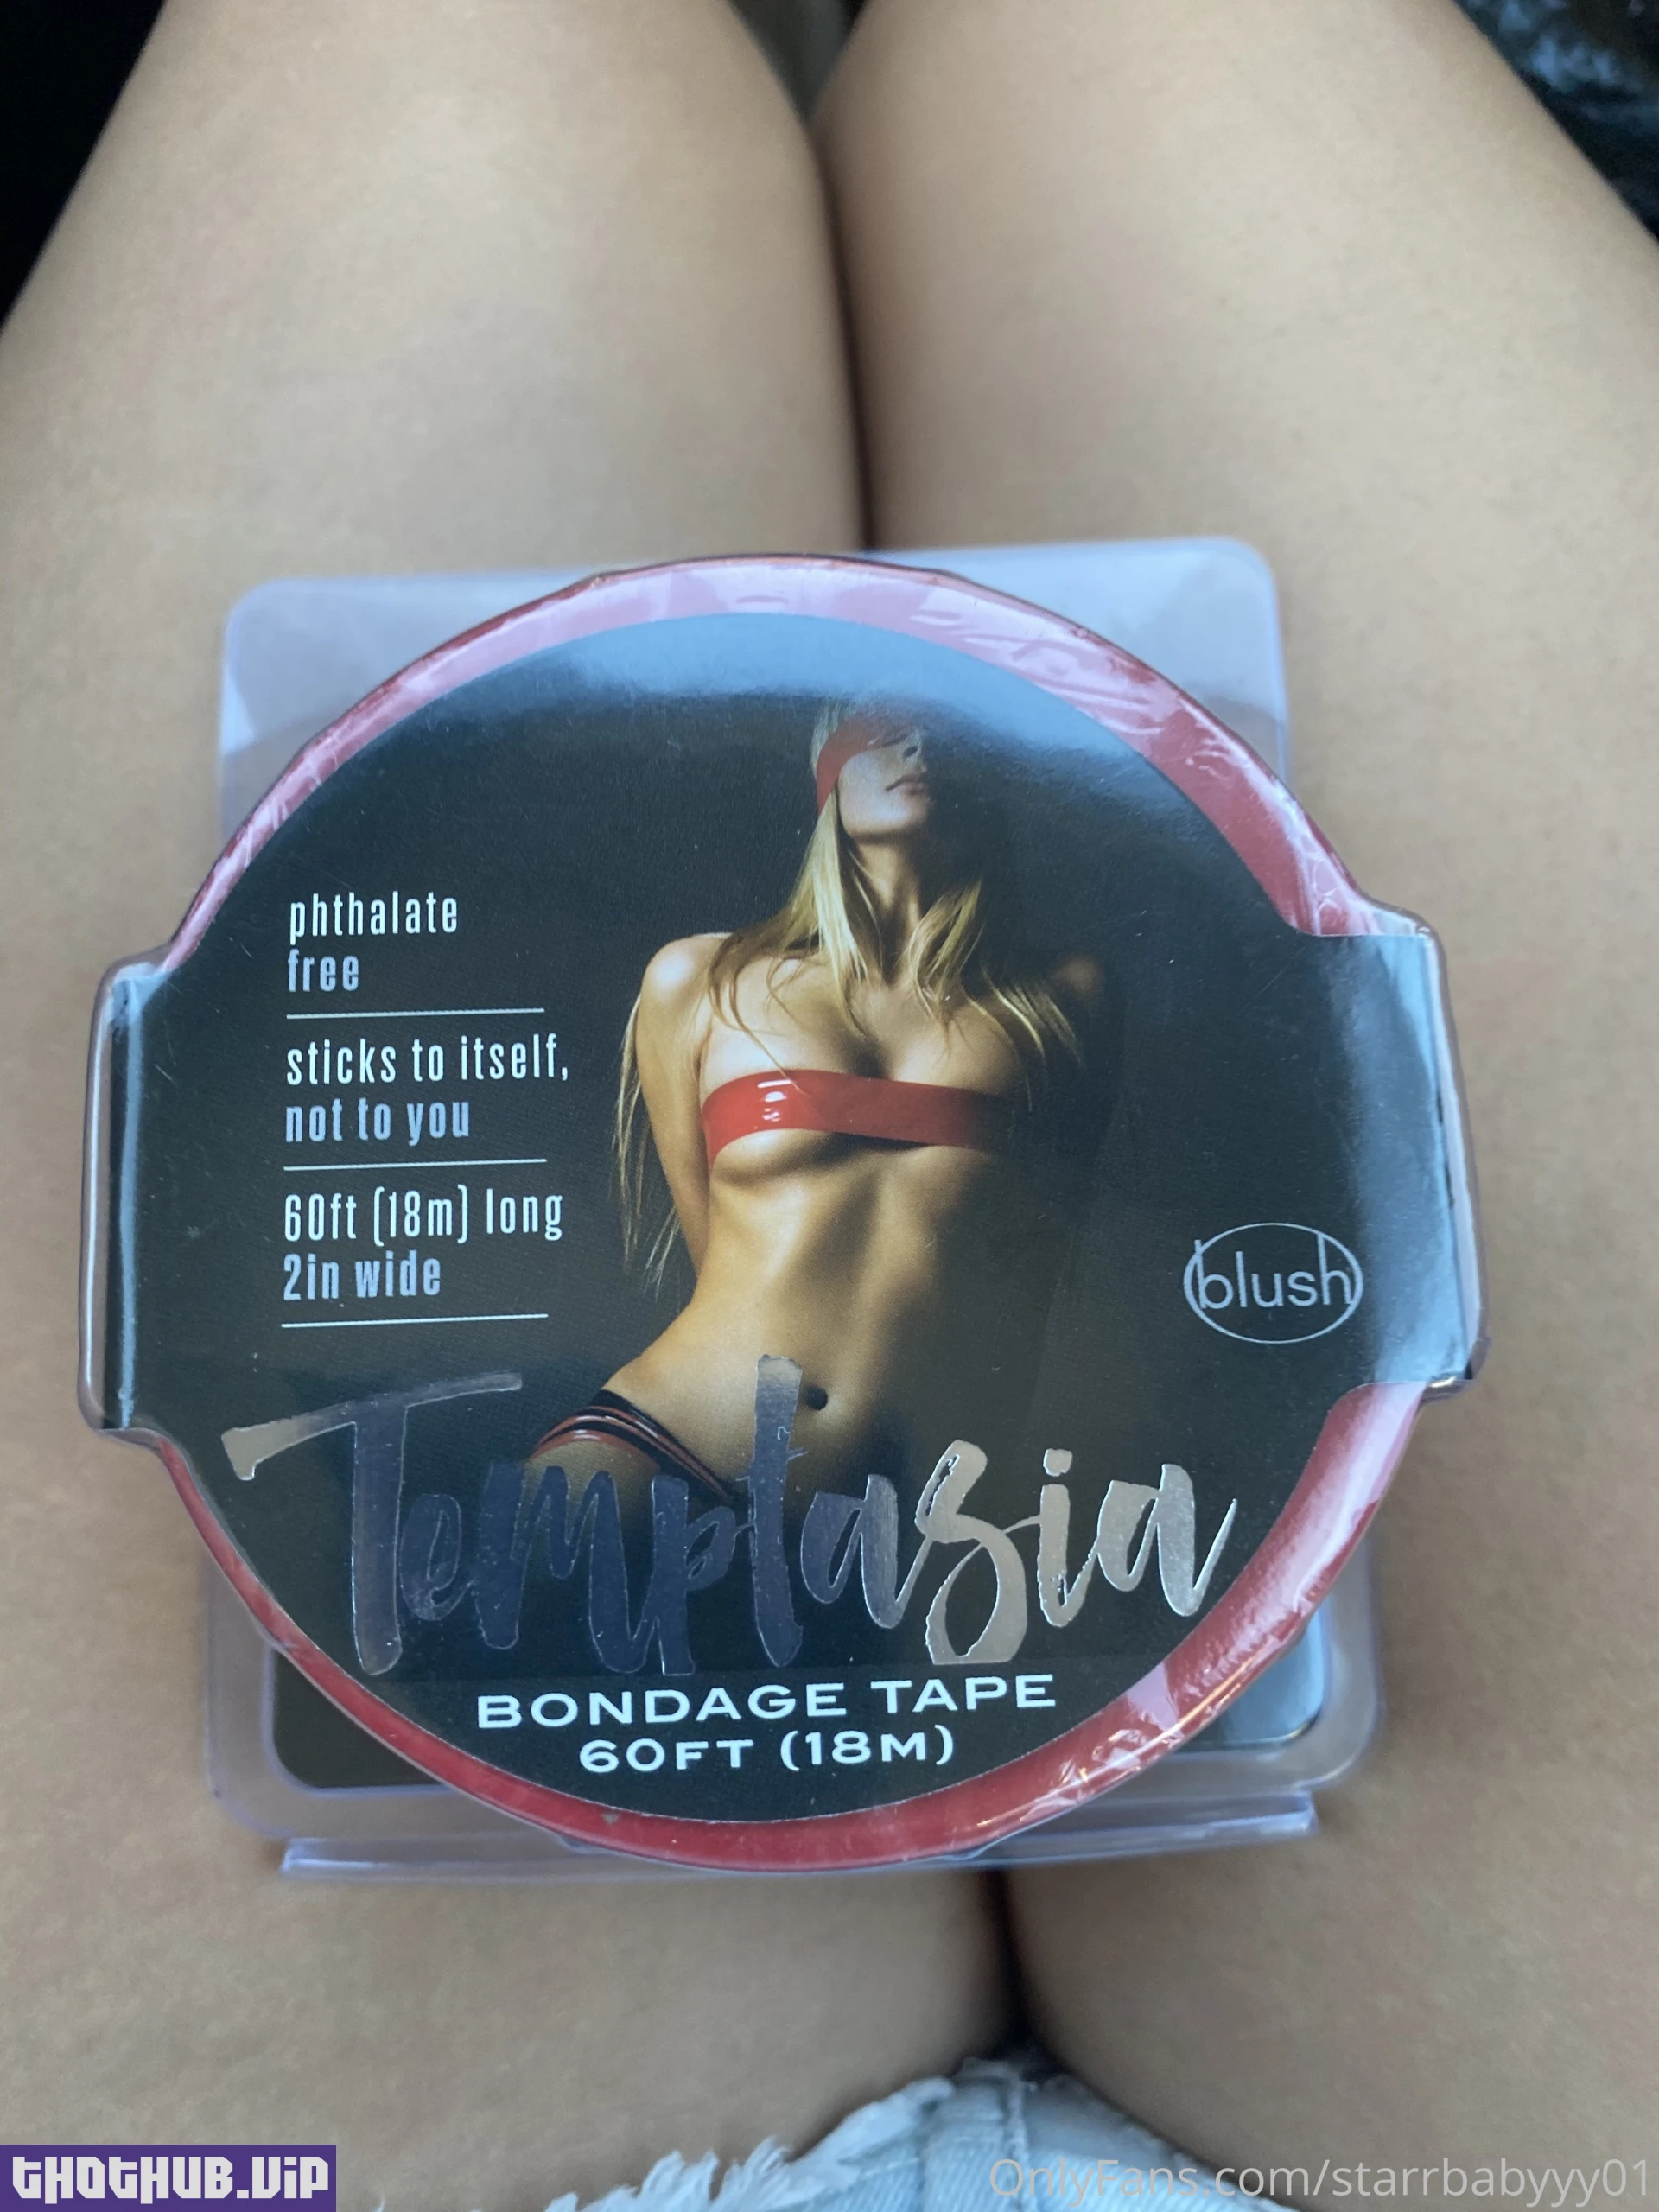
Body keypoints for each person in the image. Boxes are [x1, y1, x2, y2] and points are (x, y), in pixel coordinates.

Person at [1, 1, 1656, 2205]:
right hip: (662, 1541)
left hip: (1053, 1624)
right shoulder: (699, 980)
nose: (900, 762)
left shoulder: (1072, 994)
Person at [531, 705, 1104, 1510]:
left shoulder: (1062, 1001)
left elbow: (1031, 1294)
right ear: (828, 777)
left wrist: (980, 1500)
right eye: (885, 726)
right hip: (662, 1455)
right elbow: (714, 1260)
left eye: (943, 730)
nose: (918, 745)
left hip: (903, 1510)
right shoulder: (701, 982)